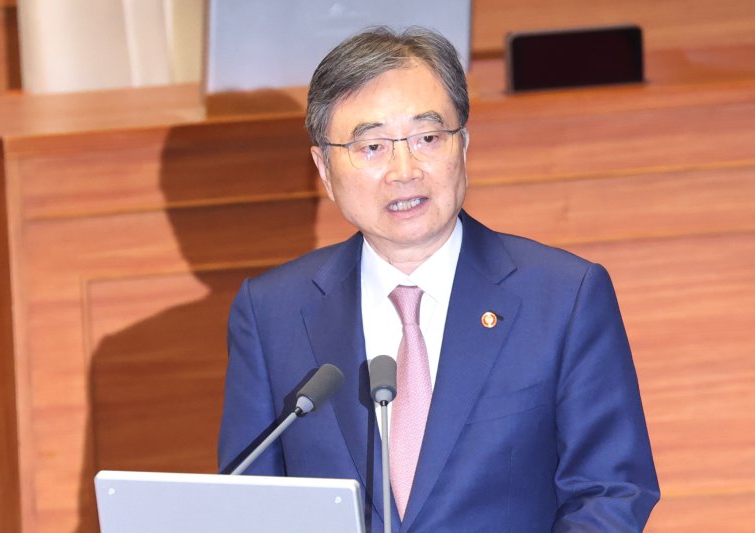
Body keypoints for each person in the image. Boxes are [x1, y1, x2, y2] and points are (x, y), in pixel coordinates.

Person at [217, 26, 659, 532]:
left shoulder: (564, 297)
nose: (404, 170)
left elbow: (611, 491)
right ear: (324, 168)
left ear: (463, 145)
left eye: (427, 138)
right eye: (372, 146)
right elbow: (248, 503)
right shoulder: (271, 313)